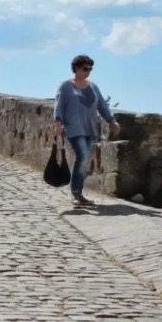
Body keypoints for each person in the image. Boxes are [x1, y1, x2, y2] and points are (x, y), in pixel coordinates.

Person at [53, 54, 121, 207]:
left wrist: (111, 120)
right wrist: (58, 123)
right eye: (85, 68)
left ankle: (79, 192)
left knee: (85, 159)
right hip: (73, 127)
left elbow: (102, 105)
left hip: (90, 128)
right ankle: (76, 191)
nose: (88, 71)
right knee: (83, 154)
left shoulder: (93, 87)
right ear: (76, 68)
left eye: (90, 69)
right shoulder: (65, 86)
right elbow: (59, 105)